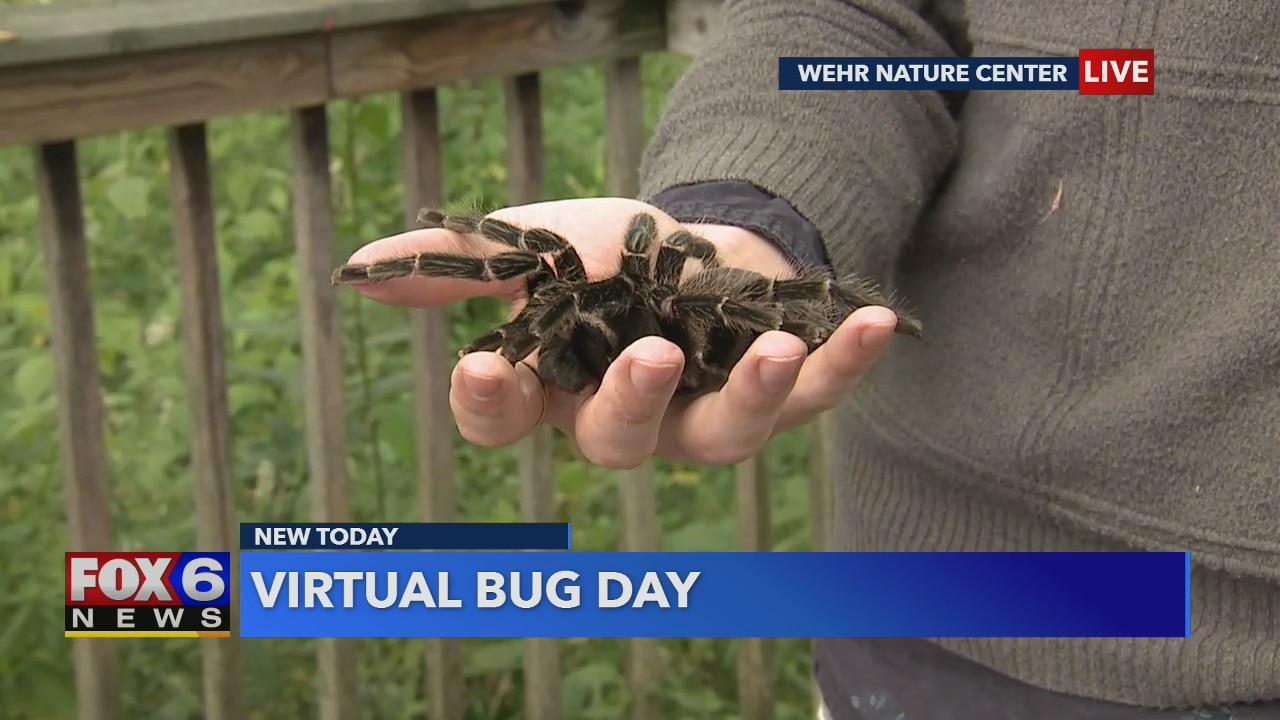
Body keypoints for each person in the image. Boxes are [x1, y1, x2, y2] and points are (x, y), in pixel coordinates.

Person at [342, 0, 1280, 717]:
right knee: (670, 295)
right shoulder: (614, 290)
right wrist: (750, 220)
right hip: (971, 611)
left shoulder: (663, 292)